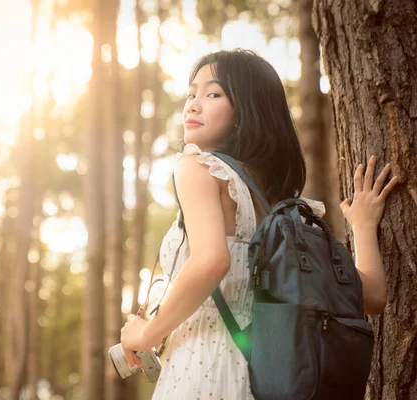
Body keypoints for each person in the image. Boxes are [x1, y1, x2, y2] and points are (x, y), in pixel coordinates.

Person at [119, 49, 399, 399]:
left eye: (213, 94)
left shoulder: (195, 168)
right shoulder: (286, 217)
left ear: (246, 111)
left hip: (202, 370)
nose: (192, 104)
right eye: (191, 94)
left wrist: (145, 334)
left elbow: (211, 261)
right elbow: (371, 296)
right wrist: (363, 224)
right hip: (273, 375)